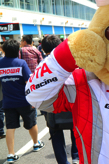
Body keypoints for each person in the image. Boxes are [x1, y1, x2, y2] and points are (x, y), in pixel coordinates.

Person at [0, 39, 44, 163]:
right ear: (17, 50)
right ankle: (36, 143)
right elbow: (28, 83)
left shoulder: (0, 63)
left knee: (10, 127)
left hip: (8, 102)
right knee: (31, 123)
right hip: (24, 101)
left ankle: (10, 154)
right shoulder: (21, 63)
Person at [41, 35, 79, 164]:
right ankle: (76, 157)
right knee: (75, 130)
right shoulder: (71, 61)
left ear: (43, 48)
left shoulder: (42, 66)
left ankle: (63, 162)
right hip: (71, 103)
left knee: (56, 134)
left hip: (52, 106)